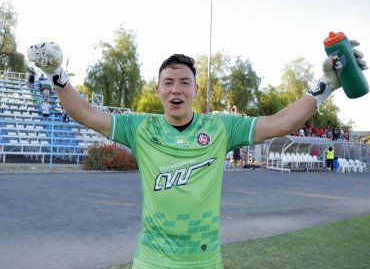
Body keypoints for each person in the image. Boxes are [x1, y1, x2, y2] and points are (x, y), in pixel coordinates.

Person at [27, 41, 367, 269]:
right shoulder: (139, 128)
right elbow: (85, 113)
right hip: (151, 260)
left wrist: (324, 86)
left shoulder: (221, 127)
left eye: (184, 82)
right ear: (158, 89)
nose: (176, 89)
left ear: (195, 90)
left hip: (203, 261)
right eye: (169, 82)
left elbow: (279, 123)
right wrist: (57, 76)